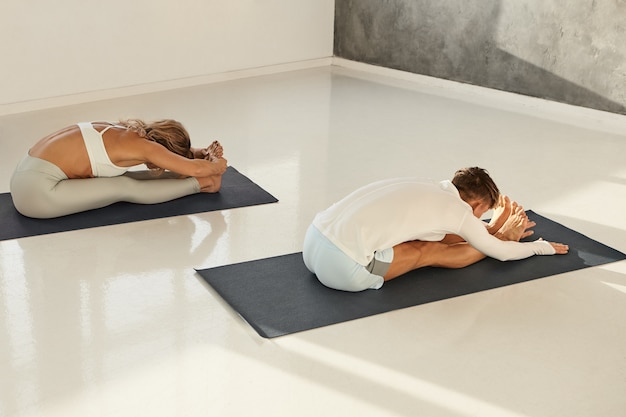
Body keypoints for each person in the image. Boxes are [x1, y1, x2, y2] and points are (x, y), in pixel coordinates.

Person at [303, 167, 569, 292]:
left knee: (431, 238)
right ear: (475, 203)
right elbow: (502, 254)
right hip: (345, 271)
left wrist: (490, 228)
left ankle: (496, 231)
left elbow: (443, 230)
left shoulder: (426, 185)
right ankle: (499, 233)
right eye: (482, 213)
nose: (477, 217)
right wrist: (534, 246)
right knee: (428, 251)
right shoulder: (458, 211)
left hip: (312, 243)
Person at [10, 119, 228, 218]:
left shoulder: (126, 131)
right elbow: (196, 169)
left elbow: (175, 159)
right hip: (36, 196)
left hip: (22, 178)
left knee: (127, 176)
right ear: (163, 150)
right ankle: (202, 186)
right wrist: (216, 167)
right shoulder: (147, 148)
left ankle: (190, 178)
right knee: (123, 185)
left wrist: (197, 153)